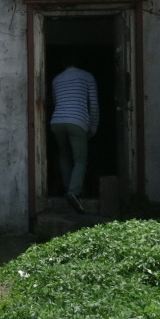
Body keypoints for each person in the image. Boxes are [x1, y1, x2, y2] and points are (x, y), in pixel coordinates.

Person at [49, 56, 99, 213]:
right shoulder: (87, 76)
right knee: (80, 160)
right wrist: (93, 127)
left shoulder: (57, 79)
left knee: (64, 155)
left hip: (57, 121)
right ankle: (74, 192)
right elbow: (94, 105)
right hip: (77, 121)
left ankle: (68, 190)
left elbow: (56, 102)